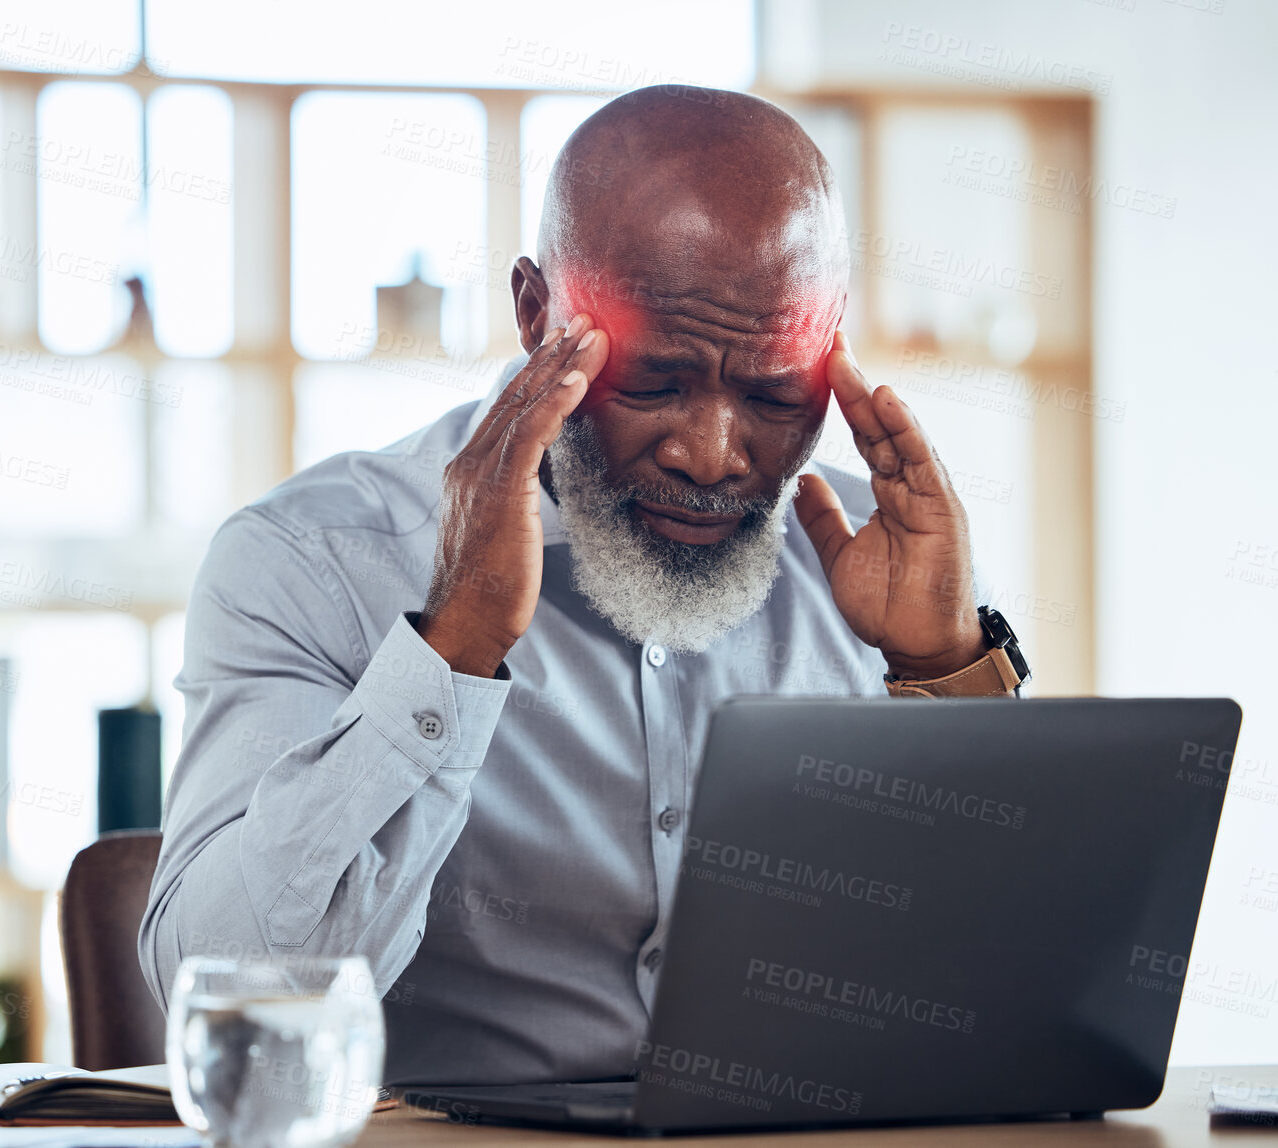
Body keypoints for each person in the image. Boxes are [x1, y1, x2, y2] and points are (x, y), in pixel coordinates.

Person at [140, 85, 1019, 1086]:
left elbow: (1011, 1007)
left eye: (775, 392)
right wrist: (450, 648)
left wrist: (942, 673)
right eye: (652, 382)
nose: (711, 453)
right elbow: (228, 1001)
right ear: (533, 313)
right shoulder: (310, 561)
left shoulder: (889, 558)